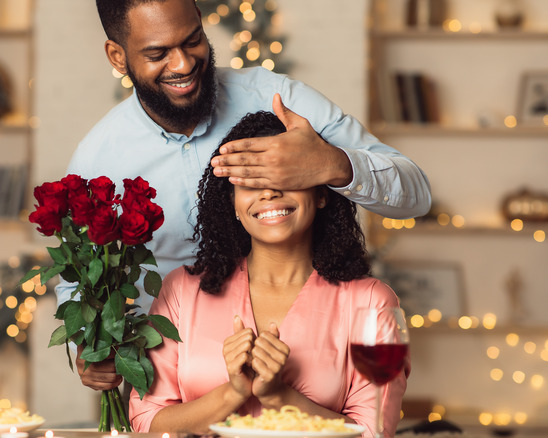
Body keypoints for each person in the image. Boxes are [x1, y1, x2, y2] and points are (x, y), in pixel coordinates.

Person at [61, 0, 429, 391]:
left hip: (306, 362)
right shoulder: (97, 160)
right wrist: (88, 344)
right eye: (158, 53)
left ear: (202, 23)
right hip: (171, 377)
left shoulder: (278, 99)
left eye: (192, 41)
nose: (183, 64)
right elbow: (79, 276)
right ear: (118, 56)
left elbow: (415, 195)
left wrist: (331, 163)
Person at [128, 111, 409, 436]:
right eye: (250, 181)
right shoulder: (181, 290)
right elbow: (146, 422)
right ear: (231, 203)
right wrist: (233, 393)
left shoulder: (373, 302)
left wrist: (279, 396)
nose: (269, 192)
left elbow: (375, 432)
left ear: (320, 194)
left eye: (286, 177)